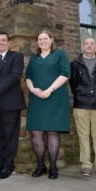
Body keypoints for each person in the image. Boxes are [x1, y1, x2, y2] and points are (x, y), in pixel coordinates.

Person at [26, 30, 70, 179]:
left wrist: (49, 90)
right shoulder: (34, 58)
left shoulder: (60, 54)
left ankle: (53, 166)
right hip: (37, 98)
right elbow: (28, 76)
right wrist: (32, 89)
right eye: (40, 39)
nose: (42, 41)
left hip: (55, 97)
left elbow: (65, 74)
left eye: (45, 38)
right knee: (36, 133)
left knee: (52, 132)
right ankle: (40, 165)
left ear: (51, 40)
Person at [0, 32, 26, 179]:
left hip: (10, 103)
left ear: (8, 43)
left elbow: (14, 76)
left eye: (4, 40)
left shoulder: (16, 57)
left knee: (10, 136)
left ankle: (8, 165)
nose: (1, 42)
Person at [70, 37, 96, 177]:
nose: (89, 46)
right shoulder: (75, 63)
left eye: (91, 43)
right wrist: (81, 95)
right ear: (82, 47)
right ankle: (86, 165)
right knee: (83, 136)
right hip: (81, 105)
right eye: (86, 44)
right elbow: (73, 83)